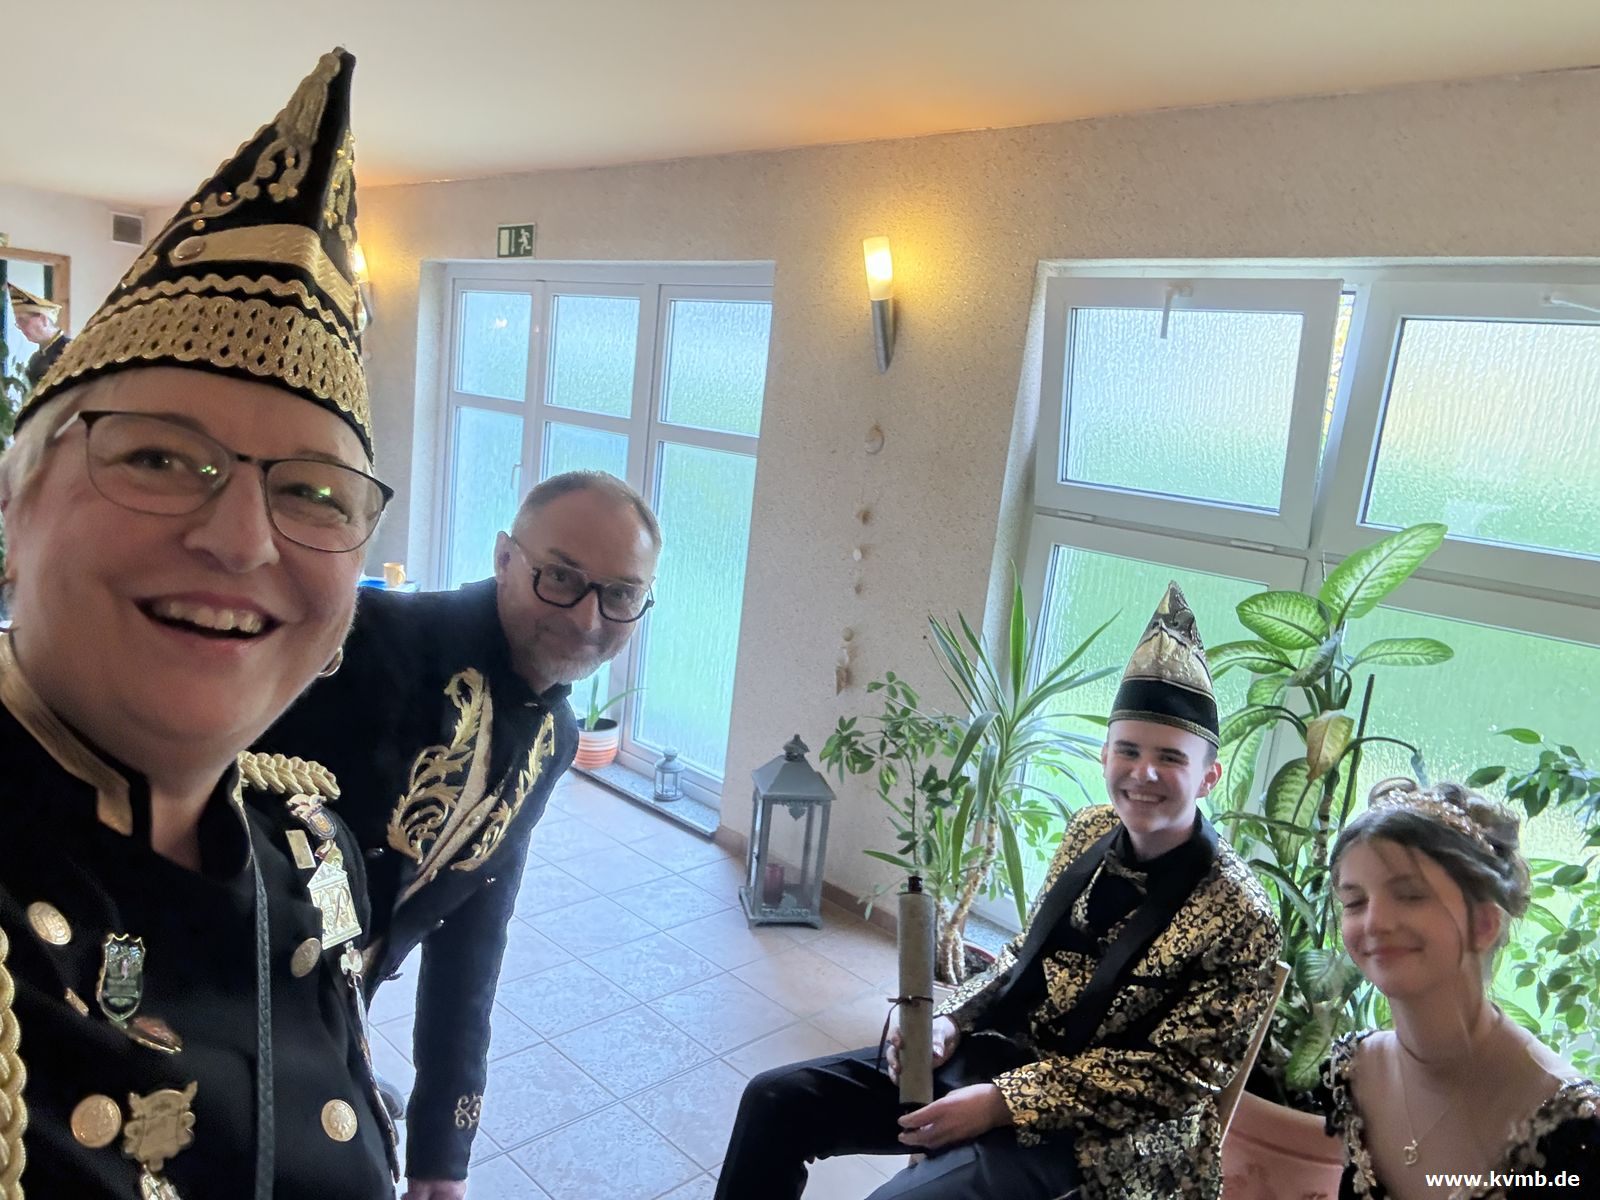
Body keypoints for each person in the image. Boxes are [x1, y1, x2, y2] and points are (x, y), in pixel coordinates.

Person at [0, 49, 401, 1198]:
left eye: (315, 491)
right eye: (160, 458)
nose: (242, 540)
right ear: (16, 502)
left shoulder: (311, 845)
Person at [716, 582, 1283, 1200]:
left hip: (1114, 1143)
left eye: (1170, 758)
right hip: (1006, 1059)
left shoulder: (1241, 912)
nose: (1143, 772)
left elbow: (1175, 1079)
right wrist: (949, 1021)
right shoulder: (1089, 829)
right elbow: (1022, 957)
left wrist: (1003, 1103)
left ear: (1208, 777)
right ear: (1105, 755)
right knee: (776, 1101)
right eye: (1128, 749)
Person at [257, 470, 661, 1198]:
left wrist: (444, 1149)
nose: (587, 618)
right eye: (561, 577)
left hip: (335, 1020)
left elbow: (474, 930)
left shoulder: (556, 738)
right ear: (505, 558)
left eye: (621, 594)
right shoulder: (366, 639)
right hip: (211, 993)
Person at [1321, 778, 1600, 1198]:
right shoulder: (1350, 1075)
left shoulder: (1571, 1125)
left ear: (1484, 924)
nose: (1374, 922)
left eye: (1410, 895)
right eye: (1355, 902)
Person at [5, 282, 71, 387]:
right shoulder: (35, 359)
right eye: (18, 323)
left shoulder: (70, 351)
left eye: (24, 321)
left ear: (44, 319)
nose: (21, 328)